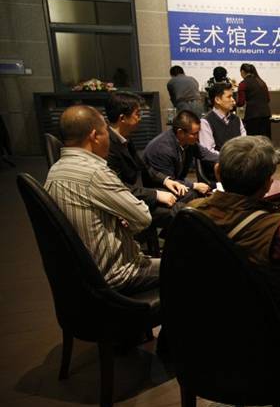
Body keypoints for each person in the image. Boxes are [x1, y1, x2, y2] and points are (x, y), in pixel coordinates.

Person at [190, 136, 280, 339]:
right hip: (262, 329)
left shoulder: (191, 213)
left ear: (217, 171)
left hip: (205, 319)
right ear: (268, 184)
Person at [44, 105, 158, 293]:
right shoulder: (95, 173)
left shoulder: (55, 170)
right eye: (106, 132)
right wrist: (124, 219)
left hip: (83, 275)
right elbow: (143, 218)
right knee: (193, 264)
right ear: (95, 136)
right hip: (118, 274)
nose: (109, 139)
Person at [105, 92, 195, 229]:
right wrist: (156, 194)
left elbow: (144, 167)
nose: (140, 118)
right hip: (129, 203)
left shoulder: (124, 137)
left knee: (188, 195)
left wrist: (166, 181)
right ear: (122, 118)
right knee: (184, 213)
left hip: (142, 191)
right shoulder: (107, 145)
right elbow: (118, 187)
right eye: (137, 114)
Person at [142, 110, 217, 196]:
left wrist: (226, 159)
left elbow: (206, 154)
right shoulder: (163, 149)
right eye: (194, 134)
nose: (198, 137)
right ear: (180, 132)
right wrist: (194, 185)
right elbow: (170, 181)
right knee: (194, 194)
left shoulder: (188, 141)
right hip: (158, 190)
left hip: (177, 182)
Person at [199, 82, 247, 154]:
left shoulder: (237, 119)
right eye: (229, 97)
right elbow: (208, 151)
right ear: (217, 100)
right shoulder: (206, 122)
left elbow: (245, 143)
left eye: (232, 96)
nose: (233, 100)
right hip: (219, 160)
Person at [236, 63, 272, 139]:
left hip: (252, 116)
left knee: (253, 141)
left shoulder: (243, 84)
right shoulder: (261, 82)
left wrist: (233, 104)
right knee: (265, 140)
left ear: (242, 72)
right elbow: (268, 99)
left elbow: (241, 103)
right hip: (266, 114)